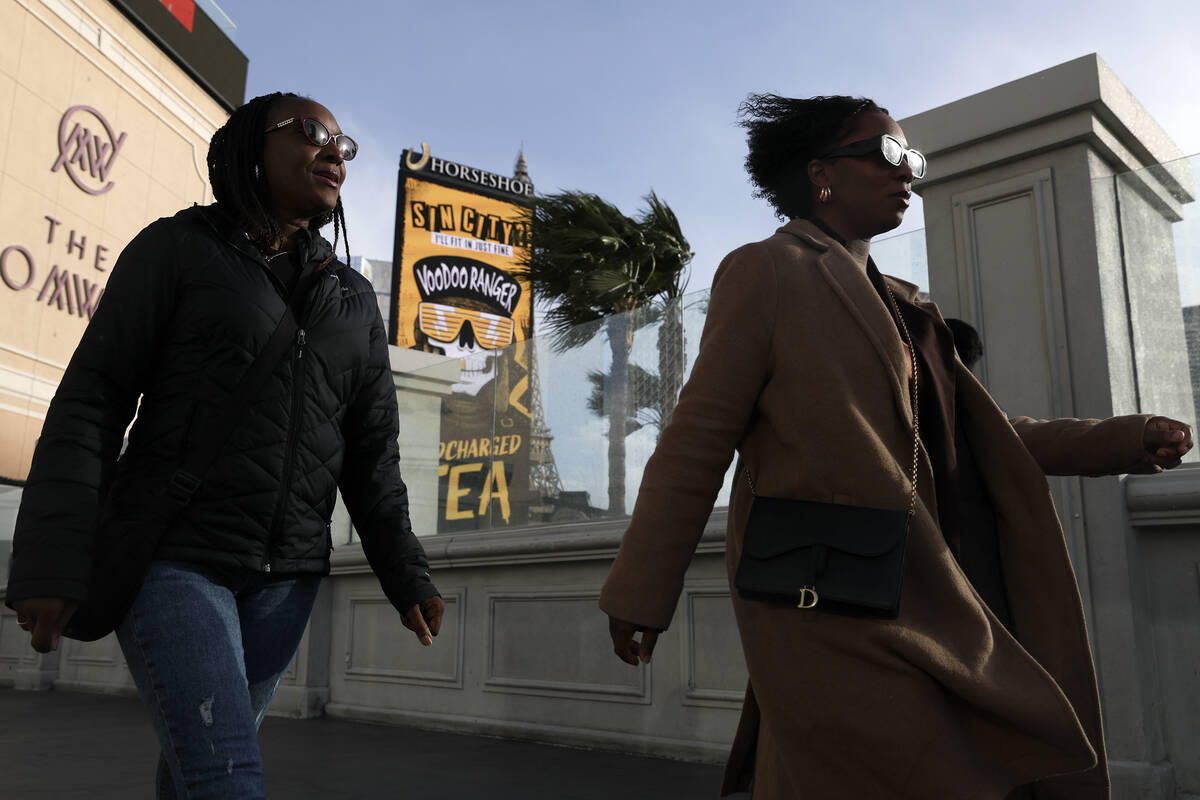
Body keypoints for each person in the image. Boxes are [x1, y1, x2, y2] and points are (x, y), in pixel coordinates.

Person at [598, 94, 1192, 799]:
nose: (907, 172)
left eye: (912, 158)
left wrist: (1125, 438)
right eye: (887, 154)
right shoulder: (768, 270)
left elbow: (989, 437)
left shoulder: (912, 304)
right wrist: (641, 590)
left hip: (945, 580)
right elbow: (699, 437)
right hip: (836, 593)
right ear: (822, 174)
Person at [5, 92, 445, 799]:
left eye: (343, 144)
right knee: (226, 776)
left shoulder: (353, 299)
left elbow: (372, 453)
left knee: (197, 770)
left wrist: (406, 572)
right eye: (311, 132)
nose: (334, 151)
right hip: (174, 560)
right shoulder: (177, 249)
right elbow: (94, 398)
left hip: (289, 579)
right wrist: (51, 561)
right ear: (252, 146)